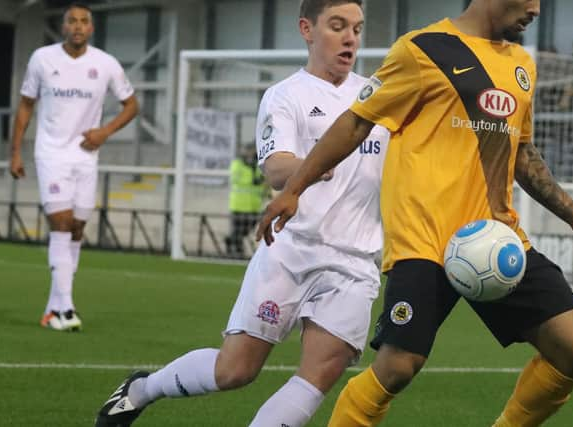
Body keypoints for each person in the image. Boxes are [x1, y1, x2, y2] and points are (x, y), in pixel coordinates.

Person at [257, 1, 573, 426]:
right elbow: (356, 122)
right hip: (425, 238)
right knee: (398, 367)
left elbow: (522, 152)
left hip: (496, 240)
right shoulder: (422, 49)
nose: (536, 9)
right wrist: (294, 189)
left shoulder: (522, 64)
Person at [95, 1, 389, 426]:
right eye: (337, 26)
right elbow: (275, 168)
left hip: (355, 261)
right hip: (291, 249)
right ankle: (142, 388)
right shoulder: (286, 96)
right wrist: (314, 166)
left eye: (357, 29)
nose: (349, 38)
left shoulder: (379, 98)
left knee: (318, 375)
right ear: (307, 29)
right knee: (234, 371)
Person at [10, 2, 138, 332]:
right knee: (62, 224)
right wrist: (15, 152)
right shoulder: (42, 58)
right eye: (72, 21)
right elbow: (25, 105)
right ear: (63, 27)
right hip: (51, 154)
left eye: (84, 21)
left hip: (86, 156)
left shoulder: (105, 64)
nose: (78, 26)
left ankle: (54, 308)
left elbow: (132, 104)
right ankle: (66, 309)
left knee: (77, 230)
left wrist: (104, 133)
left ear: (91, 28)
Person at [224, 142, 268, 257]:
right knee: (238, 231)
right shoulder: (237, 163)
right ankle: (237, 253)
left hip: (254, 206)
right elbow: (236, 179)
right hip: (239, 205)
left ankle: (231, 242)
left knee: (245, 231)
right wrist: (253, 179)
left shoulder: (258, 165)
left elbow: (263, 181)